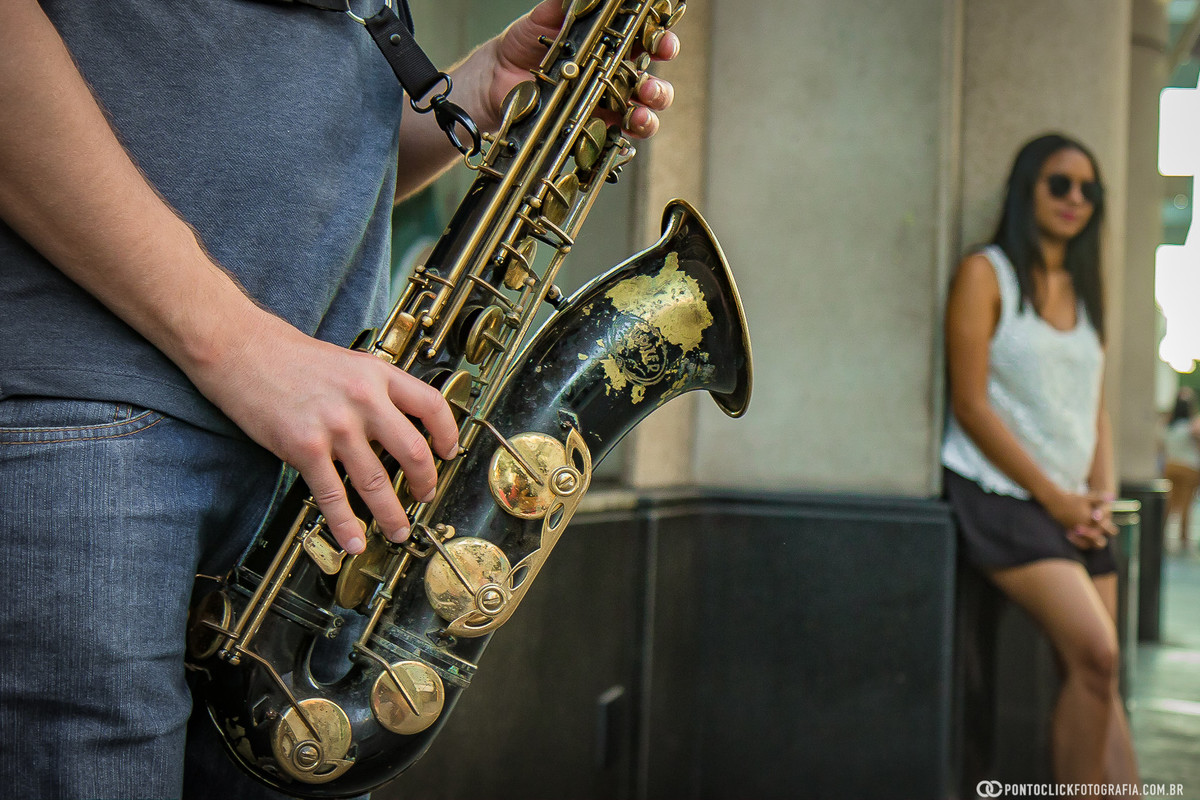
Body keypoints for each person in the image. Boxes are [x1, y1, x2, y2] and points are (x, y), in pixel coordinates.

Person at [0, 1, 677, 798]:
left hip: (306, 465)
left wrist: (479, 88)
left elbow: (256, 137)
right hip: (90, 421)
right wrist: (243, 347)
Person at [941, 133, 1139, 790]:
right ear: (1028, 188)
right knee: (1098, 652)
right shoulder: (986, 272)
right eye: (1060, 184)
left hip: (1078, 508)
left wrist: (1099, 499)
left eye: (1090, 190)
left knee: (1099, 678)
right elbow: (969, 404)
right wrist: (1054, 498)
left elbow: (1095, 408)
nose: (1076, 199)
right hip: (1002, 498)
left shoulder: (1084, 291)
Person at [1162, 388, 1200, 552]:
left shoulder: (1168, 426)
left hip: (1170, 466)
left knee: (1169, 504)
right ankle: (1183, 538)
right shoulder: (1191, 427)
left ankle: (1161, 534)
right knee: (1185, 505)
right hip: (1189, 468)